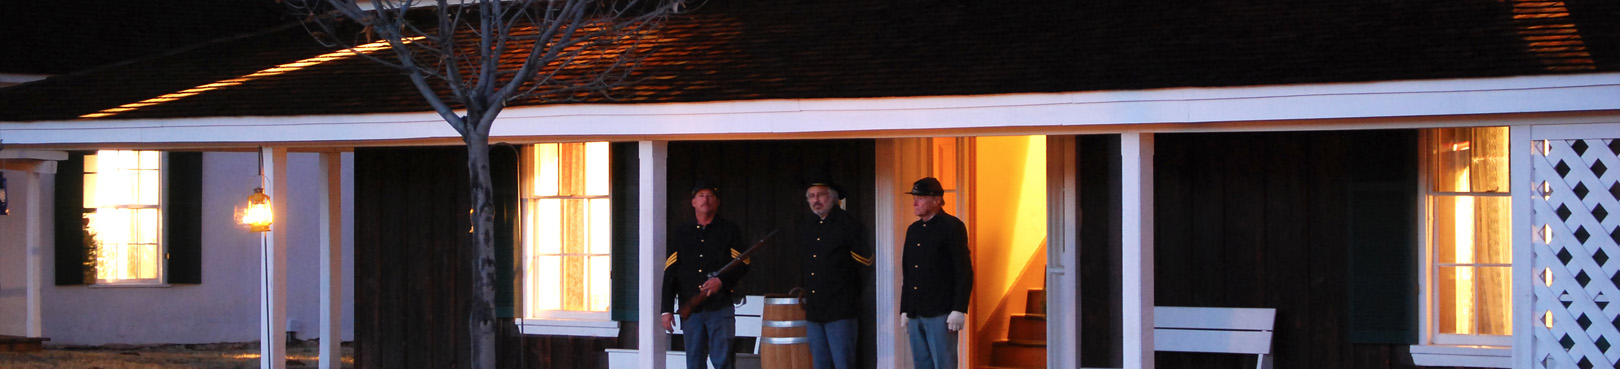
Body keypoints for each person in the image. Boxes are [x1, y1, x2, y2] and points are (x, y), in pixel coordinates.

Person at [661, 181, 749, 369]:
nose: (705, 200)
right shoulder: (681, 233)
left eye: (710, 196)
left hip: (720, 307)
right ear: (693, 202)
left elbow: (743, 263)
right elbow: (670, 272)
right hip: (691, 309)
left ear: (717, 202)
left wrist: (721, 281)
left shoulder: (729, 230)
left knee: (722, 362)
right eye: (701, 195)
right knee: (694, 363)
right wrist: (666, 310)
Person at [799, 177, 873, 369]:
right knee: (820, 364)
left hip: (841, 311)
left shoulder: (848, 225)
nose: (816, 200)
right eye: (811, 196)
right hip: (815, 310)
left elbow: (865, 264)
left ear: (833, 198)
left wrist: (848, 294)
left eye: (821, 195)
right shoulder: (808, 226)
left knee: (843, 364)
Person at [899, 177, 972, 369]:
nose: (915, 202)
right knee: (921, 364)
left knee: (944, 363)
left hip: (941, 310)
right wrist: (905, 309)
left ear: (937, 200)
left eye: (921, 197)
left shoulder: (951, 226)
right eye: (914, 197)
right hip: (916, 310)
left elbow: (963, 269)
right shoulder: (913, 230)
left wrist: (959, 308)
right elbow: (909, 272)